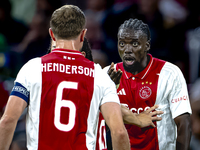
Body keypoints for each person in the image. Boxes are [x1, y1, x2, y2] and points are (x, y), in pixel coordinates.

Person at [0, 5, 131, 150]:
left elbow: (8, 120)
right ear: (82, 35)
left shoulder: (32, 68)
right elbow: (119, 132)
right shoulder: (99, 75)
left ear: (52, 34)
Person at [103, 18, 192, 150]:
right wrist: (109, 90)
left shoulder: (169, 73)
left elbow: (184, 124)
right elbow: (94, 124)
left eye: (134, 44)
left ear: (147, 46)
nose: (127, 50)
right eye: (122, 44)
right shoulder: (108, 75)